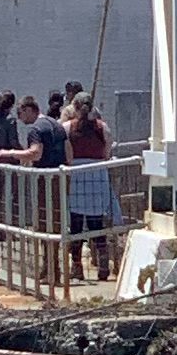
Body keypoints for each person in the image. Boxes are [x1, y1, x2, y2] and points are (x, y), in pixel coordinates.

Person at [67, 92, 119, 277]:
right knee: (97, 222)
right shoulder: (102, 128)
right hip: (97, 175)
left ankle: (77, 266)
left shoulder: (67, 127)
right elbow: (106, 152)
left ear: (75, 107)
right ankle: (104, 265)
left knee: (76, 224)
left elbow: (68, 154)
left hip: (77, 175)